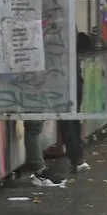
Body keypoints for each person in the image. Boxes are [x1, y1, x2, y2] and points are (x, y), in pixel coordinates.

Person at [13, 32, 94, 187]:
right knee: (34, 126)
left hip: (36, 82)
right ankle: (39, 169)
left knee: (35, 126)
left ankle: (40, 168)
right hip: (37, 83)